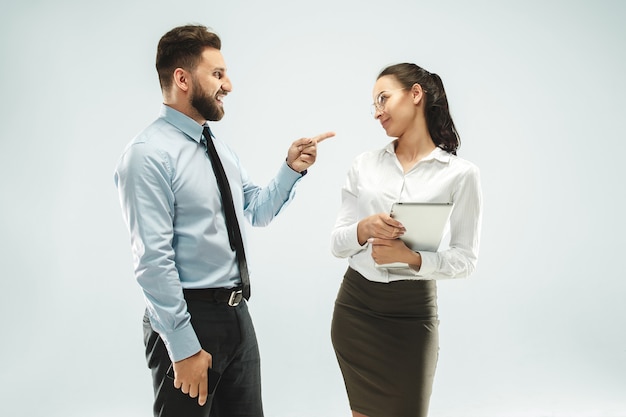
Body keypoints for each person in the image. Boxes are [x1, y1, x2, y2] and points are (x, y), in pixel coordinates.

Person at [114, 24, 334, 417]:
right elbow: (152, 261)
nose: (228, 85)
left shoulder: (217, 148)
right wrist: (183, 347)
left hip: (237, 317)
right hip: (189, 319)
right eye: (217, 74)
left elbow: (256, 210)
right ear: (182, 79)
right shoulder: (147, 155)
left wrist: (290, 169)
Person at [330, 63, 482, 417]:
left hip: (412, 314)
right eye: (374, 105)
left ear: (416, 95)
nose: (377, 113)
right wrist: (365, 228)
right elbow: (337, 243)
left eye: (383, 99)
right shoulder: (363, 165)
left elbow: (466, 259)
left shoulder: (461, 175)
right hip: (356, 309)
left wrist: (412, 259)